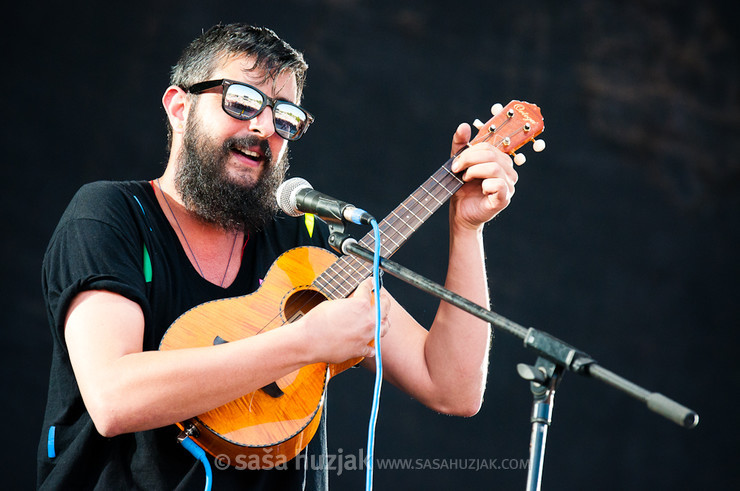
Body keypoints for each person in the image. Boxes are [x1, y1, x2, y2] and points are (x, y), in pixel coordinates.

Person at [37, 23, 518, 490]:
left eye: (285, 116)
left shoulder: (303, 248)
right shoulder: (109, 215)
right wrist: (304, 344)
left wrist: (466, 227)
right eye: (242, 101)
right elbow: (114, 397)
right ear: (179, 107)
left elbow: (451, 386)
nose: (265, 127)